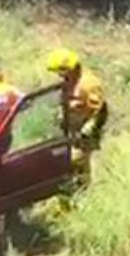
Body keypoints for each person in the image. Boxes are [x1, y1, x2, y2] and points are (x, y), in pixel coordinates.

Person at [45, 48, 108, 188]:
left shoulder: (88, 83)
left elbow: (99, 111)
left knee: (74, 162)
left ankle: (82, 193)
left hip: (84, 134)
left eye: (61, 71)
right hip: (70, 132)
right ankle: (77, 192)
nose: (59, 75)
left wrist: (87, 131)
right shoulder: (68, 83)